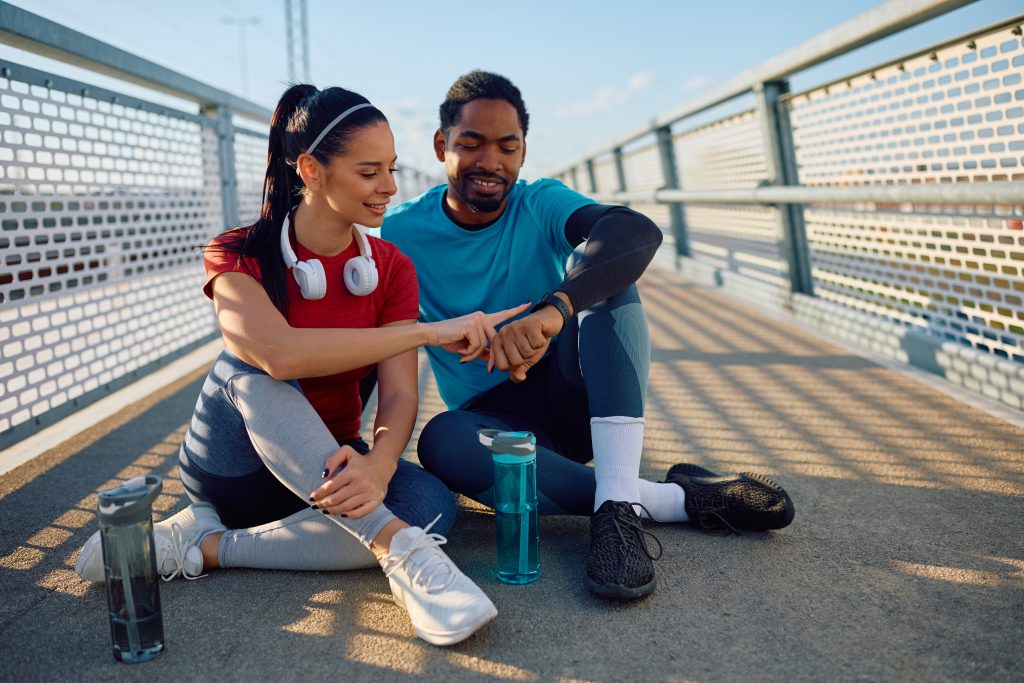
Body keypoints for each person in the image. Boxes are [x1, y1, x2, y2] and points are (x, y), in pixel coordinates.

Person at [74, 84, 527, 646]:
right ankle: (402, 554)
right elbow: (278, 355)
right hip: (234, 471)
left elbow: (400, 396)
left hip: (326, 470)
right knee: (250, 367)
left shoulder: (389, 269)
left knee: (431, 503)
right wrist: (429, 331)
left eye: (390, 169)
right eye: (369, 173)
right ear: (311, 171)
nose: (389, 188)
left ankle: (203, 546)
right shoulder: (236, 252)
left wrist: (381, 465)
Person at [381, 71, 795, 601]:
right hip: (495, 420)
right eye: (471, 143)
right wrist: (434, 338)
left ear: (524, 152)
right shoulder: (399, 231)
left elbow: (635, 231)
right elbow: (380, 333)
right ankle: (662, 499)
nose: (491, 161)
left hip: (574, 393)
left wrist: (553, 310)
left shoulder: (541, 202)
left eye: (508, 146)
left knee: (603, 270)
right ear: (442, 146)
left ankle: (618, 517)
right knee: (441, 442)